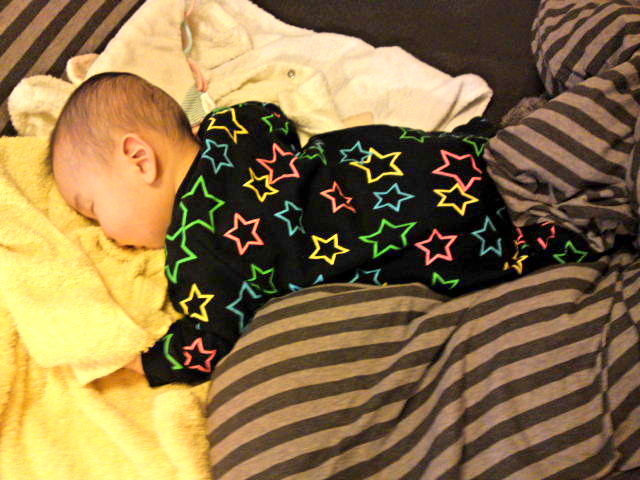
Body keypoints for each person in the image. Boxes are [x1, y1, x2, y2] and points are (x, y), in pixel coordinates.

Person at [49, 72, 600, 386]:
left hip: (437, 235)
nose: (106, 234)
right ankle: (515, 143)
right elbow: (270, 116)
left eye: (94, 209)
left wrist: (139, 364)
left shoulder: (198, 247)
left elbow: (211, 338)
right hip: (430, 160)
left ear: (139, 158)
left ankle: (557, 243)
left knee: (487, 262)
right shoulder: (232, 127)